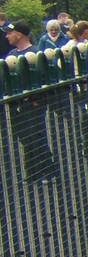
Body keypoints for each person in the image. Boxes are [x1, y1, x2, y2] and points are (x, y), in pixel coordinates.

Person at [2, 21, 60, 181]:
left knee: (35, 135)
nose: (7, 36)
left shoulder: (35, 53)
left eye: (9, 33)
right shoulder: (12, 54)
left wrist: (37, 99)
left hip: (32, 102)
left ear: (19, 34)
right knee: (23, 136)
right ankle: (33, 171)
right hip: (16, 102)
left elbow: (42, 77)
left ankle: (49, 170)